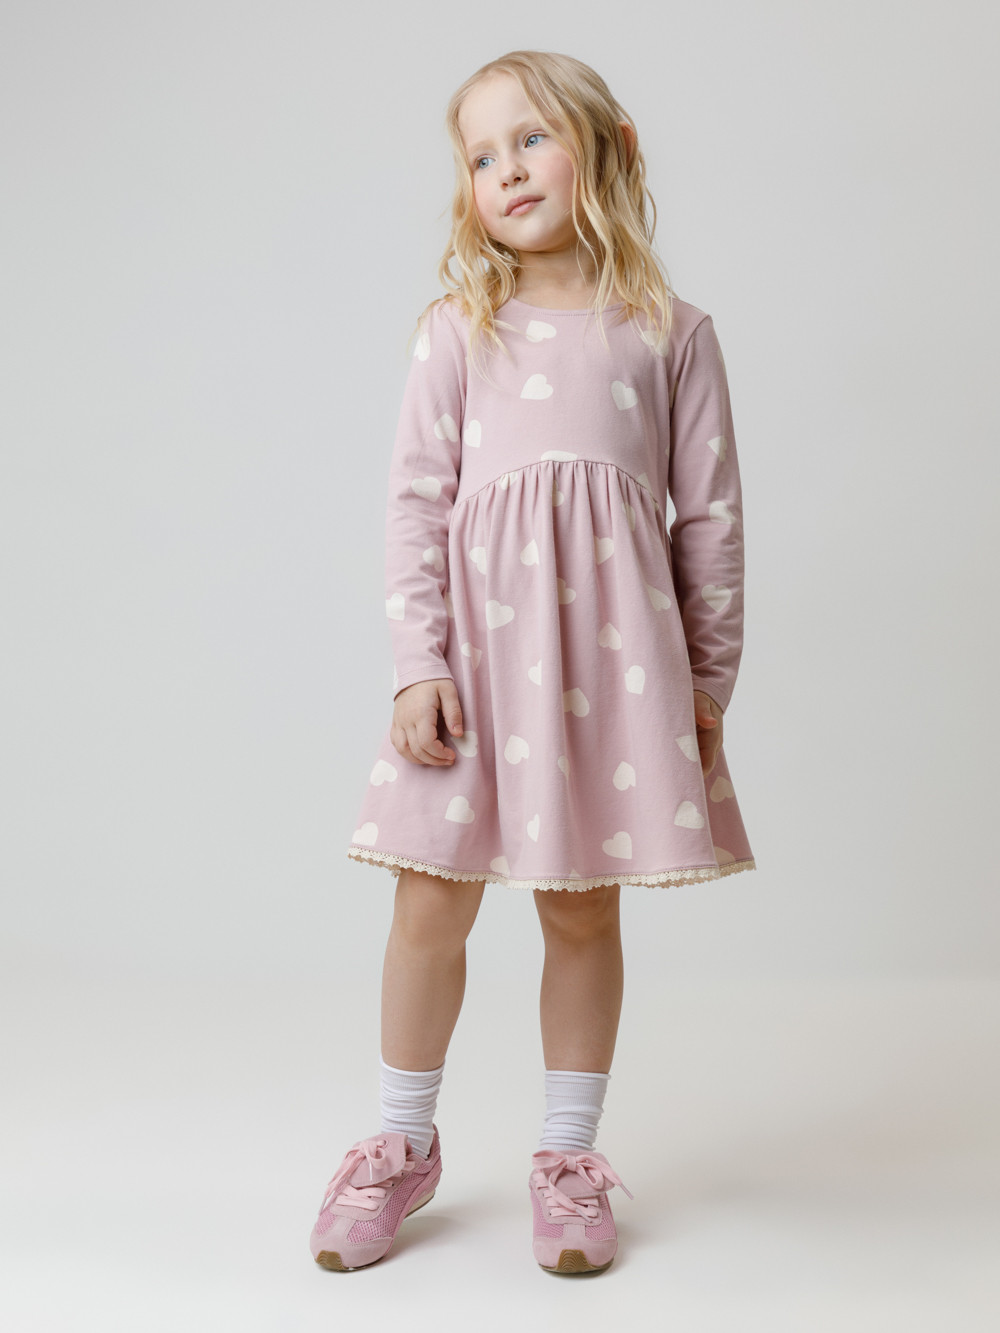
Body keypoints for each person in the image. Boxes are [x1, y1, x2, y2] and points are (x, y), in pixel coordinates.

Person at [309, 49, 756, 1277]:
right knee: (427, 902)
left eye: (531, 139)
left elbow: (710, 522)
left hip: (611, 682)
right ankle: (401, 1141)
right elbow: (414, 505)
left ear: (611, 146)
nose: (505, 169)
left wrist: (705, 684)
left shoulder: (671, 334)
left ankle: (565, 1157)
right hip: (474, 673)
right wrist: (417, 663)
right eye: (480, 154)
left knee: (580, 907)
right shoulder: (458, 330)